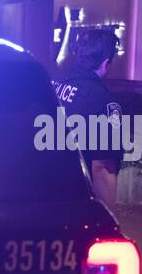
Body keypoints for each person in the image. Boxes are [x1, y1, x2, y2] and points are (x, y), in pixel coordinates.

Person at [52, 28, 123, 207]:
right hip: (76, 203)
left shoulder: (52, 84)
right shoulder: (104, 102)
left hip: (40, 195)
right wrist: (107, 218)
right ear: (106, 63)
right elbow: (103, 167)